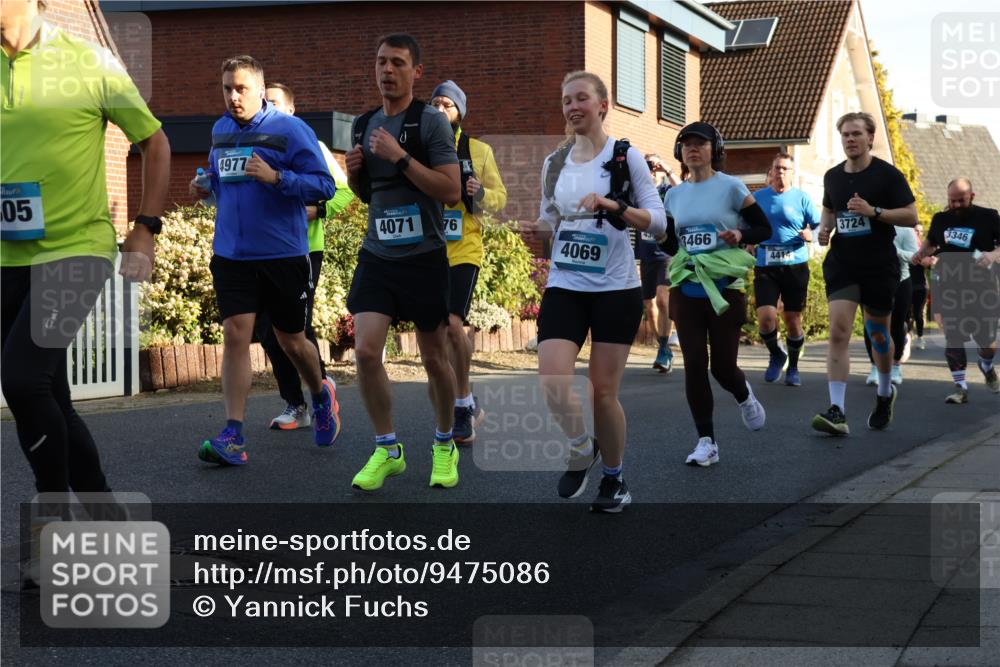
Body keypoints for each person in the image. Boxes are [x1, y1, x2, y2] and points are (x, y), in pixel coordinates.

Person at [1, 0, 170, 494]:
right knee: (51, 396)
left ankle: (51, 525)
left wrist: (146, 226)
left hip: (77, 247)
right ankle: (103, 515)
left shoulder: (87, 61)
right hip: (9, 254)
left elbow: (154, 142)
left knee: (22, 381)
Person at [521, 71, 666, 512]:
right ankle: (582, 446)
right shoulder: (555, 163)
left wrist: (615, 206)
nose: (572, 107)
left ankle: (614, 478)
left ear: (603, 105)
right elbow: (551, 220)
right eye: (566, 100)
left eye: (581, 98)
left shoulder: (626, 158)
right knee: (552, 380)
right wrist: (531, 227)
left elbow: (659, 223)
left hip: (615, 288)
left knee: (603, 392)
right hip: (566, 284)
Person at [190, 55, 338, 466]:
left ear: (259, 87)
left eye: (240, 89)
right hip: (232, 253)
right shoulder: (221, 129)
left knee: (292, 340)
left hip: (283, 254)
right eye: (226, 89)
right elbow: (224, 179)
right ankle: (233, 435)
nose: (233, 97)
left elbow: (324, 185)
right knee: (236, 334)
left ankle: (321, 394)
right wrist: (206, 184)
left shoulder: (290, 129)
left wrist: (278, 178)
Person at [344, 34, 462, 491]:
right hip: (378, 255)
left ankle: (444, 442)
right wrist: (356, 175)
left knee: (434, 358)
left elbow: (450, 190)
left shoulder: (430, 123)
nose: (386, 70)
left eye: (397, 62)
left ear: (416, 72)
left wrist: (401, 156)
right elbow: (370, 196)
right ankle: (387, 448)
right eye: (380, 62)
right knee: (366, 351)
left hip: (424, 257)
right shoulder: (363, 125)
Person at [657, 122, 771, 468]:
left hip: (725, 288)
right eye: (687, 145)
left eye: (700, 144)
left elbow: (763, 228)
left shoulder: (732, 187)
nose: (693, 150)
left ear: (714, 150)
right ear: (680, 153)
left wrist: (740, 231)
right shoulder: (673, 195)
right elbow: (674, 242)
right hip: (686, 285)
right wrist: (657, 235)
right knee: (694, 363)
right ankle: (706, 441)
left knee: (722, 367)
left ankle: (743, 395)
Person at [811, 112, 917, 436]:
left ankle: (885, 393)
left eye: (856, 134)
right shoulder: (832, 177)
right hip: (843, 262)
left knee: (879, 336)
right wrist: (824, 228)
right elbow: (830, 207)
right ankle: (837, 411)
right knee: (838, 332)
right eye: (845, 134)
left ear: (870, 138)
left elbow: (911, 215)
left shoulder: (887, 175)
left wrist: (875, 212)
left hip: (878, 265)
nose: (850, 139)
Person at [258, 81, 354, 430]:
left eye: (275, 103)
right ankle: (294, 403)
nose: (268, 107)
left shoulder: (312, 144)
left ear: (291, 109)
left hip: (304, 249)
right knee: (268, 331)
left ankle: (321, 390)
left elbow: (344, 194)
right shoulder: (256, 144)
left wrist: (318, 210)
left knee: (297, 326)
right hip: (264, 250)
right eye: (264, 102)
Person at [430, 80, 508, 444]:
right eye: (436, 103)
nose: (441, 109)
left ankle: (462, 404)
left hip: (464, 248)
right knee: (436, 333)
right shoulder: (421, 148)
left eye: (448, 104)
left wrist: (482, 192)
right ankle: (469, 401)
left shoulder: (478, 150)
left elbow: (501, 198)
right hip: (426, 250)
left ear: (460, 112)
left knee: (451, 324)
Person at [910, 178, 1000, 404]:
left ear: (972, 196)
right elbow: (931, 241)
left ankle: (986, 365)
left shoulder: (989, 216)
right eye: (952, 201)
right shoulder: (941, 219)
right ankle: (960, 387)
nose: (956, 205)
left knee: (988, 343)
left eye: (961, 200)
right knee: (954, 339)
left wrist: (992, 254)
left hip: (983, 288)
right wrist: (921, 253)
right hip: (950, 288)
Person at [751, 152, 819, 387]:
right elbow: (746, 224)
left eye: (784, 169)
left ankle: (793, 366)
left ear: (792, 173)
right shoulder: (757, 198)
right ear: (770, 172)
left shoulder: (802, 198)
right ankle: (775, 354)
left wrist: (811, 234)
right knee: (766, 318)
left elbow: (820, 225)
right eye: (776, 168)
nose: (780, 172)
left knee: (792, 319)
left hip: (795, 265)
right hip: (766, 264)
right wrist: (749, 240)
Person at [638, 153, 680, 373]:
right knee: (650, 306)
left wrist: (665, 167)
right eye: (648, 167)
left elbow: (683, 190)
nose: (651, 171)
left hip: (666, 254)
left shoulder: (666, 190)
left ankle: (664, 349)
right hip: (646, 255)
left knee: (664, 300)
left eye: (653, 167)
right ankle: (663, 348)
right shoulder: (638, 192)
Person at [864, 225, 918, 385]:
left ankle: (895, 365)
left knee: (896, 324)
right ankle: (874, 366)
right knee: (871, 325)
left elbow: (914, 256)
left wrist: (892, 250)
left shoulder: (905, 230)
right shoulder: (869, 225)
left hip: (901, 280)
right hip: (872, 280)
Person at [907, 222, 933, 350]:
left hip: (920, 285)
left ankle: (920, 338)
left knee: (918, 313)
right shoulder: (906, 244)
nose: (918, 233)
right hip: (906, 283)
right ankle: (908, 336)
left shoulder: (925, 248)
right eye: (915, 230)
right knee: (906, 313)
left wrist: (922, 257)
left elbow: (929, 264)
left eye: (920, 231)